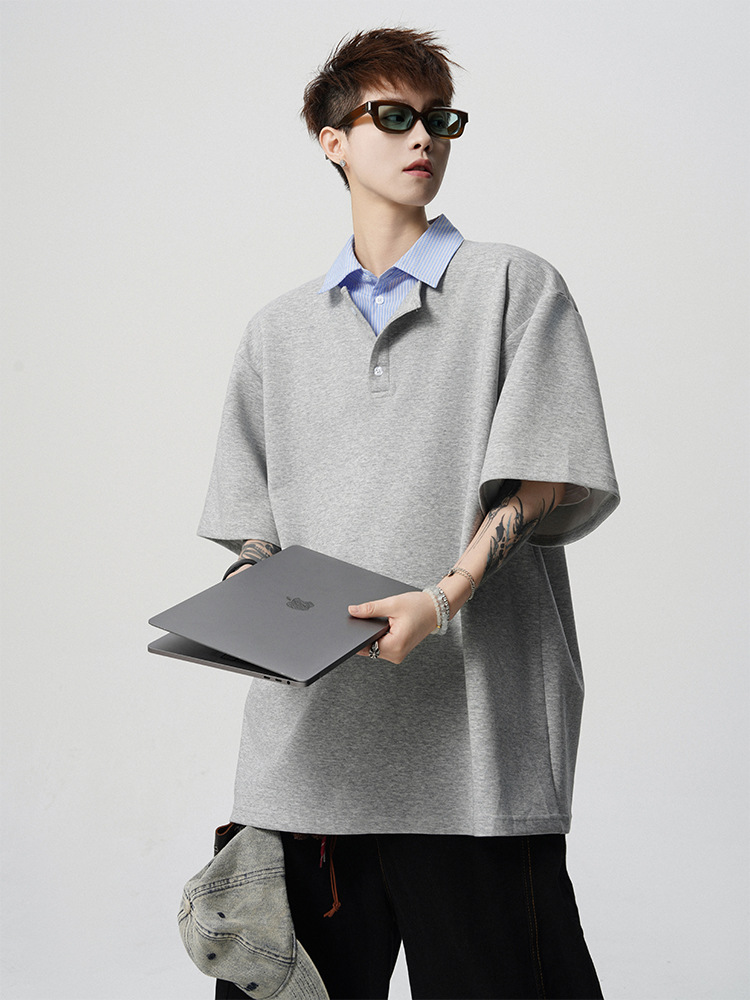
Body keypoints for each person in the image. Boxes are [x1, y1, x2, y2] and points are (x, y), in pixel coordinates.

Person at [198, 26, 619, 1000]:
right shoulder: (276, 333)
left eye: (438, 119)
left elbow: (546, 481)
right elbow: (254, 521)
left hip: (472, 758)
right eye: (391, 116)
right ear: (332, 139)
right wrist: (246, 594)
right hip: (305, 763)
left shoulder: (514, 286)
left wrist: (445, 595)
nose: (421, 136)